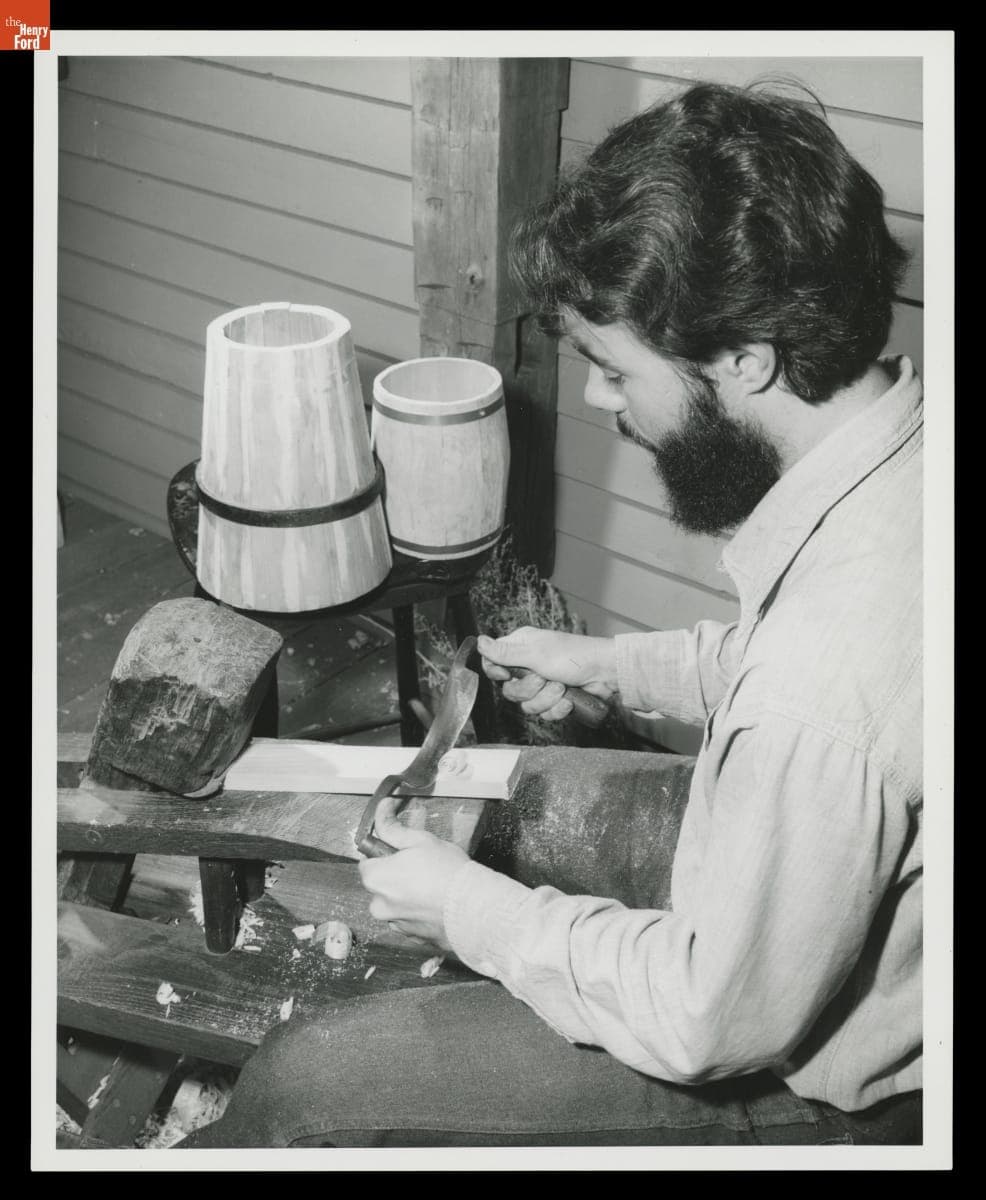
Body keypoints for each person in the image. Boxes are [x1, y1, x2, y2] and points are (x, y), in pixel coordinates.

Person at [179, 81, 922, 1149]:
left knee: (308, 1086)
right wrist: (616, 668)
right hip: (809, 941)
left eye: (615, 372)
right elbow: (791, 680)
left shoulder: (820, 680)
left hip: (816, 1087)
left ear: (744, 361)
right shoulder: (899, 454)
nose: (597, 404)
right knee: (535, 799)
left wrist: (467, 910)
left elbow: (705, 1017)